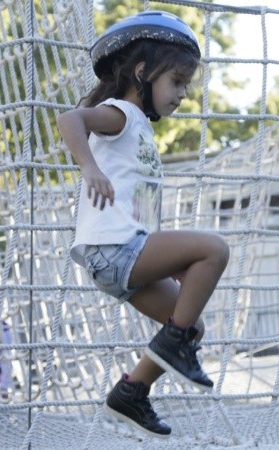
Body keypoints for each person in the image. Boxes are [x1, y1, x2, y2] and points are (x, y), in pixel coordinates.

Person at [56, 11, 230, 438]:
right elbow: (69, 119)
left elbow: (138, 204)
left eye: (186, 85)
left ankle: (132, 391)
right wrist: (89, 168)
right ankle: (169, 354)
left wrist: (163, 256)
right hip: (113, 250)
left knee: (189, 324)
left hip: (126, 252)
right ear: (142, 72)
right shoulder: (120, 113)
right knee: (215, 249)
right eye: (176, 81)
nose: (183, 94)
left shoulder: (141, 130)